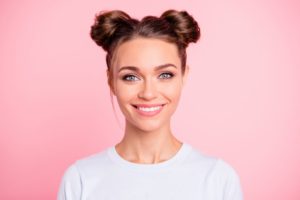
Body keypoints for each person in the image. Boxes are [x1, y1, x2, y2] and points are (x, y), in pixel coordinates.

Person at [57, 9, 243, 200]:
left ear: (184, 76)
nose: (148, 93)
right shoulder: (81, 180)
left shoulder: (218, 179)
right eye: (131, 77)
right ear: (111, 81)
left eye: (165, 75)